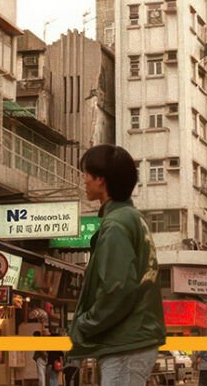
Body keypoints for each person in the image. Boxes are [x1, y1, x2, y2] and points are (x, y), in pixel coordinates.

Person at [68, 145, 166, 386]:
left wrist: (86, 323)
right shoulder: (132, 218)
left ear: (101, 180)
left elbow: (117, 287)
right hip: (132, 340)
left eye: (87, 174)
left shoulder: (116, 225)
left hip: (125, 343)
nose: (84, 180)